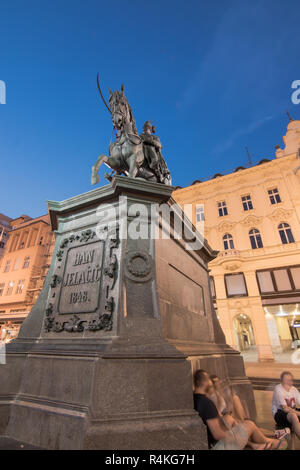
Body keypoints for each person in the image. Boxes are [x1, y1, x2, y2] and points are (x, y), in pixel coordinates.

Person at [194, 369, 287, 450]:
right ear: (204, 382)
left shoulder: (195, 398)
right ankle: (273, 444)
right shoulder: (206, 403)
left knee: (237, 422)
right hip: (219, 447)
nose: (211, 383)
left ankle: (262, 443)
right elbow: (217, 434)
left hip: (212, 443)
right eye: (208, 380)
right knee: (250, 425)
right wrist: (232, 434)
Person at [272, 371, 300, 439]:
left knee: (294, 414)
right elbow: (285, 409)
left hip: (293, 410)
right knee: (293, 415)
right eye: (286, 380)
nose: (289, 382)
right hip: (280, 414)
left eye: (290, 380)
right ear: (281, 381)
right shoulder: (278, 389)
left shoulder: (293, 389)